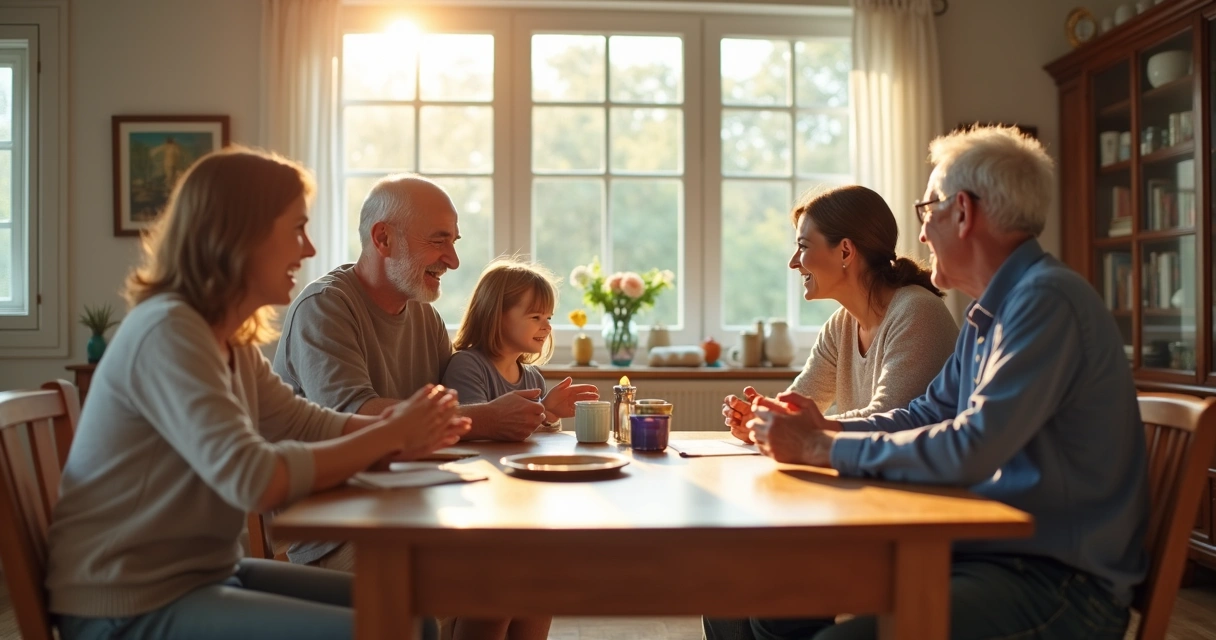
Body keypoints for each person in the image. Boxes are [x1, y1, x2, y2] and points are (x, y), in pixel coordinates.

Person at [725, 126, 1149, 640]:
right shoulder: (988, 313)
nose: (921, 235)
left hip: (1055, 584)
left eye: (928, 212)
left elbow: (971, 446)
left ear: (963, 213)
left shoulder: (1044, 301)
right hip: (982, 554)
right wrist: (824, 427)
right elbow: (924, 414)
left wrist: (819, 446)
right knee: (745, 589)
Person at [44, 148, 470, 640]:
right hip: (127, 603)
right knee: (392, 630)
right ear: (238, 235)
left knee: (412, 616)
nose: (308, 249)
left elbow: (302, 423)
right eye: (296, 229)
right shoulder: (169, 331)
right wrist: (388, 436)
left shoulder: (227, 338)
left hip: (202, 576)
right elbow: (253, 478)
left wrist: (395, 433)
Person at [272, 174, 549, 571]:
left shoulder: (426, 317)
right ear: (383, 239)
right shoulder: (324, 307)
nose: (452, 260)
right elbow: (357, 417)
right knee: (490, 571)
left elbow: (446, 417)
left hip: (414, 503)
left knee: (536, 564)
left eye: (454, 243)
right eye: (438, 241)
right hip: (336, 526)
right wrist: (486, 418)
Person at [721, 185, 958, 443]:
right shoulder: (840, 325)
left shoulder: (917, 312)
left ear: (845, 251)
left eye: (803, 246)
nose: (793, 262)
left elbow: (890, 421)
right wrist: (759, 421)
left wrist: (784, 423)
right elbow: (798, 406)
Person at [438, 258, 598, 640]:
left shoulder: (531, 375)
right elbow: (474, 431)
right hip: (481, 509)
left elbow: (536, 437)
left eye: (549, 317)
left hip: (521, 508)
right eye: (535, 316)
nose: (546, 326)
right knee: (493, 608)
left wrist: (551, 414)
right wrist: (544, 411)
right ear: (497, 316)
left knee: (538, 600)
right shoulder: (468, 366)